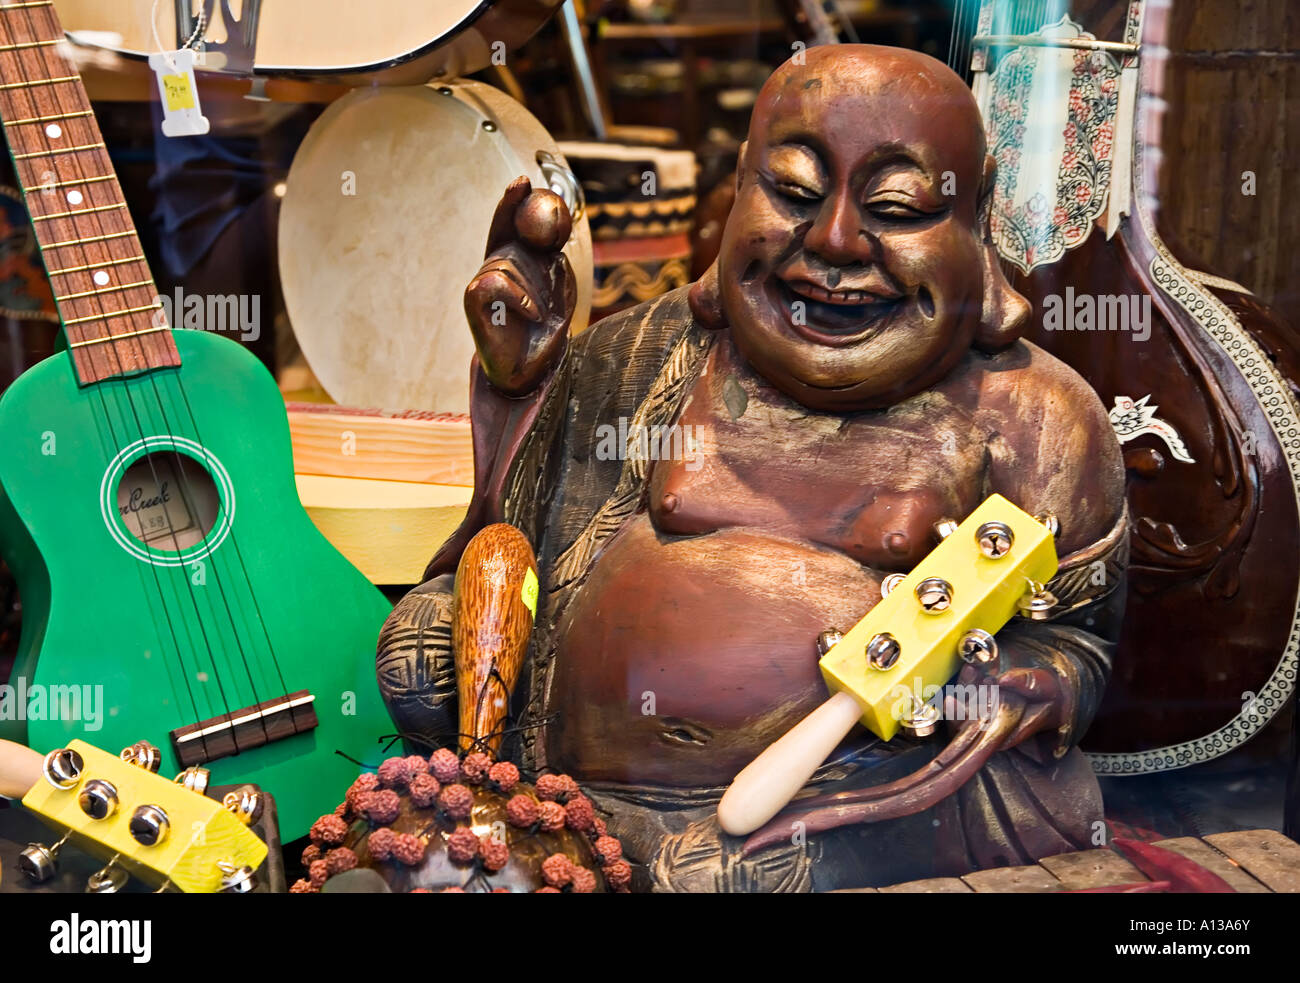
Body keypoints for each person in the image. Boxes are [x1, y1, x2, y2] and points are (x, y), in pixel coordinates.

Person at [378, 44, 1128, 891]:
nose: (837, 241)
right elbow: (518, 544)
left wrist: (1022, 680)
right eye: (795, 193)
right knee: (416, 654)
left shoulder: (1030, 413)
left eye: (895, 205)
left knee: (721, 876)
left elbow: (1077, 641)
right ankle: (521, 816)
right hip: (566, 775)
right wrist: (528, 386)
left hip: (862, 791)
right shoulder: (655, 347)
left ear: (975, 211)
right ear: (739, 186)